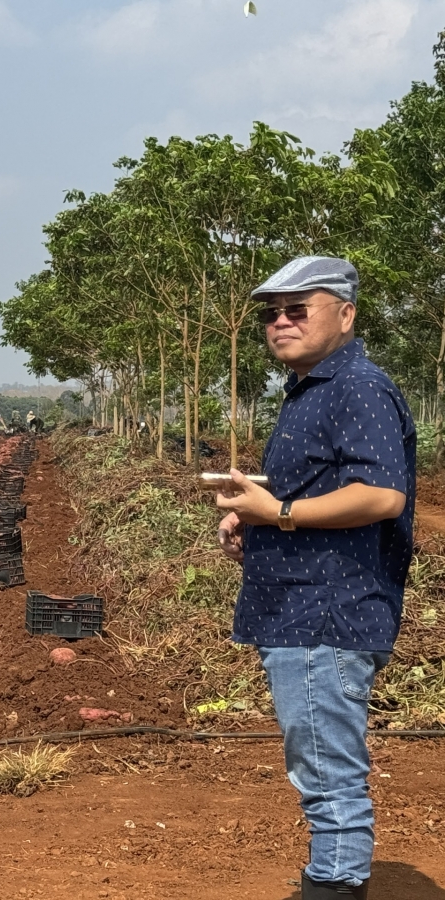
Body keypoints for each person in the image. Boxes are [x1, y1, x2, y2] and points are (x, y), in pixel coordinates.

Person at [215, 257, 415, 900]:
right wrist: (260, 521)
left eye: (298, 308)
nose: (280, 321)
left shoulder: (356, 386)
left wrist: (278, 512)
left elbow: (382, 495)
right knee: (319, 761)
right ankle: (329, 877)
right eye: (271, 313)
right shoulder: (313, 389)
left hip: (326, 613)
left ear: (346, 314)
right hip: (302, 607)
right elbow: (326, 489)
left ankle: (334, 883)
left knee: (327, 768)